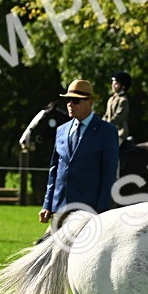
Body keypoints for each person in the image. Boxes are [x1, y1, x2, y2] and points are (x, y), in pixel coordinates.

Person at [40, 79, 120, 224]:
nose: (70, 104)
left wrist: (102, 212)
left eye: (76, 100)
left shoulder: (107, 132)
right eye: (68, 100)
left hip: (89, 212)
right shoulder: (61, 130)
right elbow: (54, 171)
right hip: (60, 209)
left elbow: (109, 175)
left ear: (90, 102)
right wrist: (48, 204)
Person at [103, 71, 132, 141]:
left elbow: (118, 117)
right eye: (113, 83)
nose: (112, 85)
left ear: (123, 86)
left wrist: (105, 125)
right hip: (108, 131)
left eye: (116, 83)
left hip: (119, 132)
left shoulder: (123, 100)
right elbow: (106, 115)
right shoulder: (111, 99)